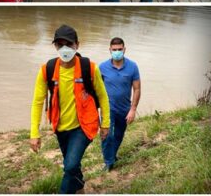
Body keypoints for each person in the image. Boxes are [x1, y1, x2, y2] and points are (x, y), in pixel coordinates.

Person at [30, 25, 111, 194]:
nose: (64, 49)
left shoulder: (90, 68)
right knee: (72, 165)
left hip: (84, 126)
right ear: (55, 47)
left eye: (69, 44)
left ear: (77, 45)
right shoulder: (47, 70)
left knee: (70, 165)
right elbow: (38, 102)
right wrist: (34, 133)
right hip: (60, 128)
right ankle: (79, 187)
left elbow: (103, 97)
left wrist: (105, 124)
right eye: (60, 45)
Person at [99, 37, 140, 171]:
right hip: (108, 108)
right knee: (107, 134)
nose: (117, 52)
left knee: (118, 135)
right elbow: (96, 89)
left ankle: (112, 155)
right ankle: (108, 162)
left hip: (124, 108)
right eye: (114, 49)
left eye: (119, 49)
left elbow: (137, 88)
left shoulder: (132, 66)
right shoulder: (102, 67)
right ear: (110, 50)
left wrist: (133, 110)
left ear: (124, 50)